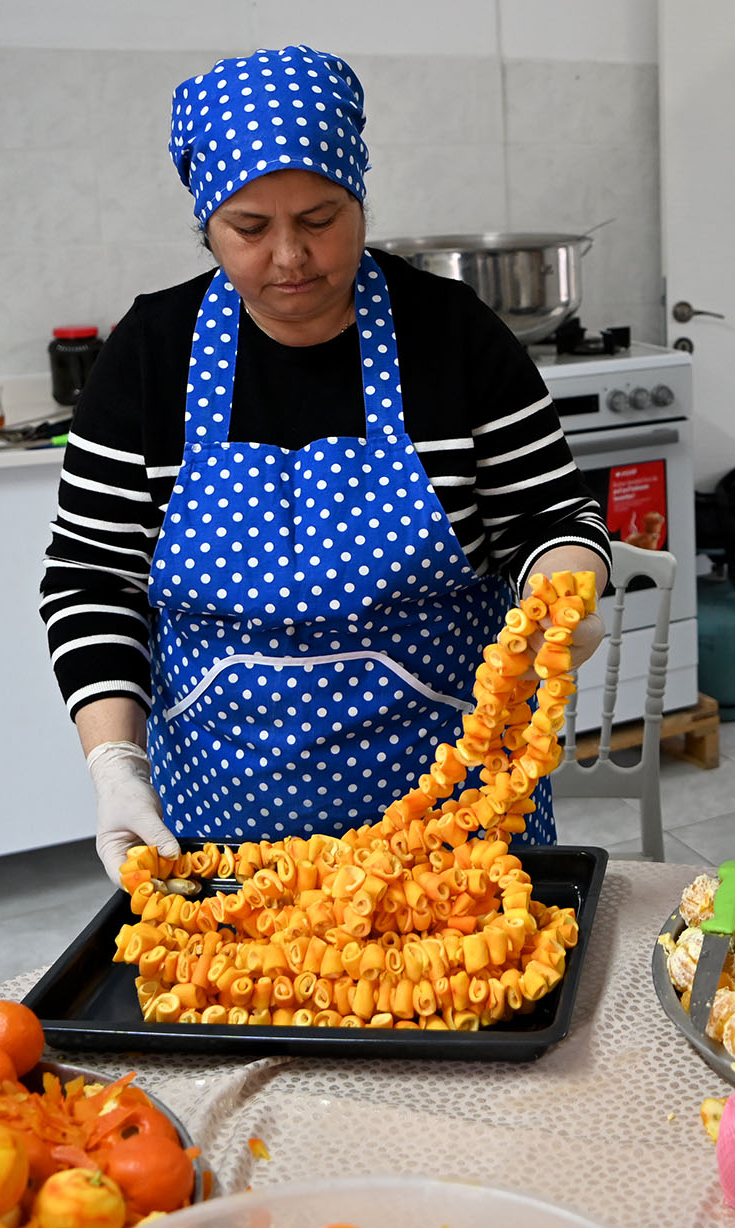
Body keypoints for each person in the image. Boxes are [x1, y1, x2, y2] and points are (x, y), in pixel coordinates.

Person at [41, 46, 612, 883]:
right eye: (249, 228)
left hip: (461, 838)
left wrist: (565, 594)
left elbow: (554, 519)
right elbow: (90, 578)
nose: (289, 259)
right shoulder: (149, 358)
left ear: (361, 199)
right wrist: (116, 767)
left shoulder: (451, 335)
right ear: (205, 224)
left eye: (319, 219)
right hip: (222, 835)